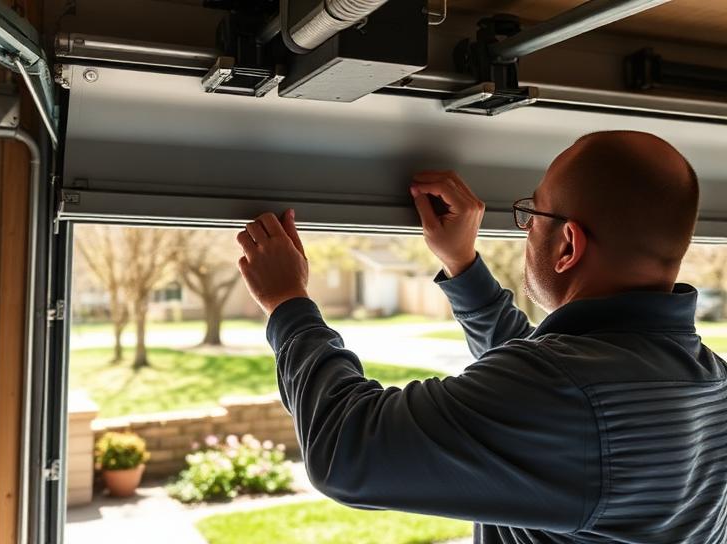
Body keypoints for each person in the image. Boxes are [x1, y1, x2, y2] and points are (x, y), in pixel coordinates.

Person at [235, 130, 727, 543]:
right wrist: (462, 264)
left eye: (534, 214)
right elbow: (545, 388)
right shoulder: (708, 380)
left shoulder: (568, 392)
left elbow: (347, 449)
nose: (527, 229)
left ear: (569, 244)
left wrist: (287, 302)